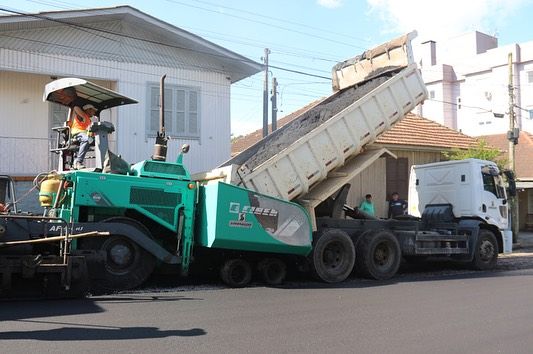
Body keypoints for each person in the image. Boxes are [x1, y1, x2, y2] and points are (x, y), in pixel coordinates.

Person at [68, 103, 97, 169]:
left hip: (84, 135)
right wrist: (83, 116)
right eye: (93, 110)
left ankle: (105, 162)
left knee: (98, 141)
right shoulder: (82, 116)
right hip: (77, 134)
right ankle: (79, 162)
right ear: (88, 110)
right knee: (87, 139)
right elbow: (75, 107)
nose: (94, 112)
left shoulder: (89, 120)